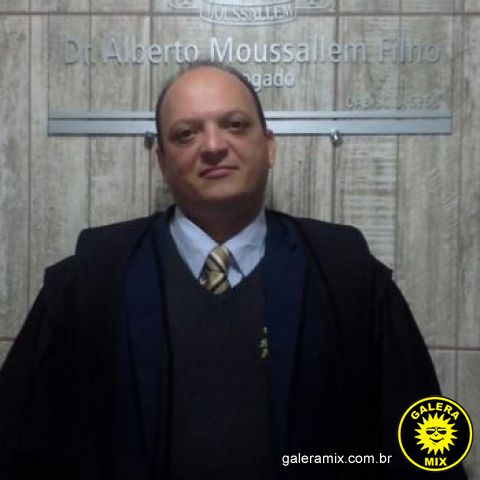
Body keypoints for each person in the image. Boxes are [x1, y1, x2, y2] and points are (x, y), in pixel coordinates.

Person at [0, 61, 467, 480]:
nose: (213, 146)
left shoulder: (348, 274)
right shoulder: (88, 281)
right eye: (186, 134)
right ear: (162, 161)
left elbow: (423, 447)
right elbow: (17, 446)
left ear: (269, 146)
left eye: (235, 125)